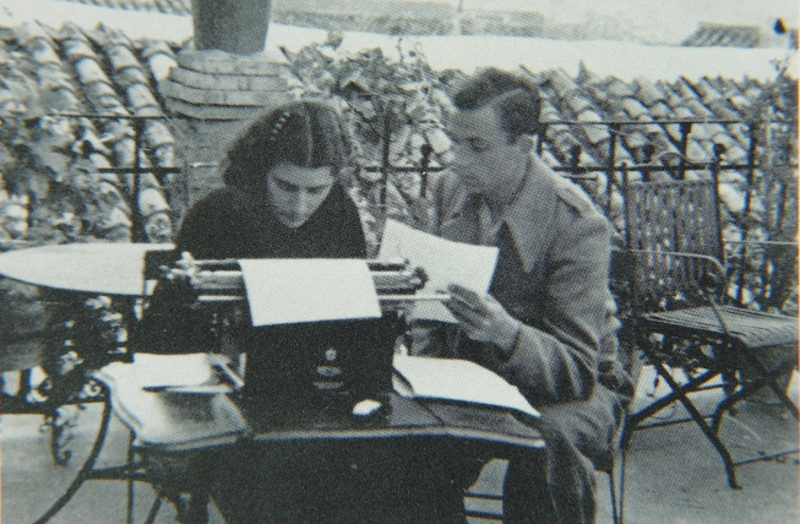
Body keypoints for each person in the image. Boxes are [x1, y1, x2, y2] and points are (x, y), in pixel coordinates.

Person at [408, 67, 633, 524]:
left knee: (549, 442)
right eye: (455, 141)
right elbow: (429, 313)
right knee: (406, 440)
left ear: (524, 147)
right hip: (470, 373)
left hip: (575, 387)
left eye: (477, 146)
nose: (457, 159)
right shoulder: (452, 189)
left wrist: (506, 332)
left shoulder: (576, 224)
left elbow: (578, 369)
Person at [135, 99, 366, 353]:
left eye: (316, 190)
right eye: (286, 186)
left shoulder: (341, 215)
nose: (299, 206)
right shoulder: (215, 214)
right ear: (261, 169)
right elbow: (163, 331)